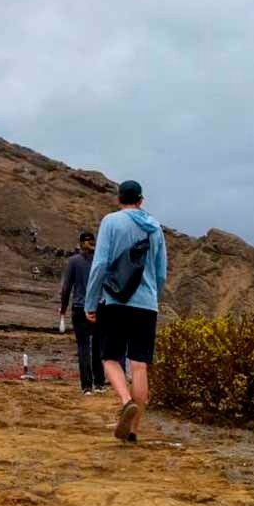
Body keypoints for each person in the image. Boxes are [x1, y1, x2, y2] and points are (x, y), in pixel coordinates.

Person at [84, 180, 168, 443]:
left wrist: (90, 301)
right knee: (140, 365)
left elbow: (100, 265)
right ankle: (133, 430)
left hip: (115, 301)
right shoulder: (156, 229)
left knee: (109, 357)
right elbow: (162, 272)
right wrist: (154, 297)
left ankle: (125, 400)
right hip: (146, 305)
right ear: (141, 200)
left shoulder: (110, 222)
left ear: (119, 198)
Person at [59, 232, 102, 394]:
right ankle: (99, 383)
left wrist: (63, 308)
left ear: (80, 243)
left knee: (83, 347)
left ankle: (86, 386)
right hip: (98, 308)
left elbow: (66, 288)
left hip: (79, 307)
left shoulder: (73, 262)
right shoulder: (100, 262)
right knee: (98, 346)